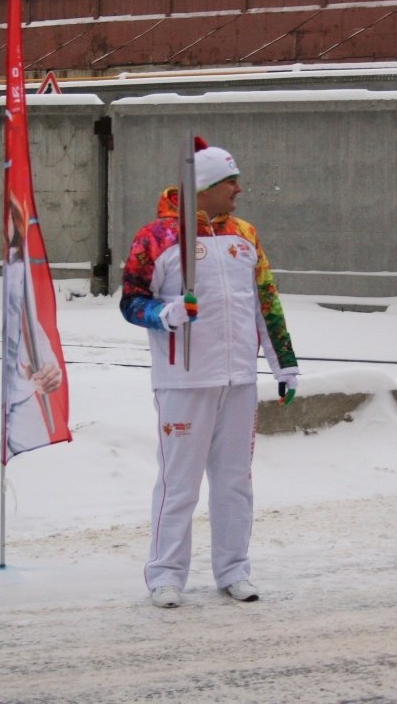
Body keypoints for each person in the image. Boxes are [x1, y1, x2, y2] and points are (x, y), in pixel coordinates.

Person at [120, 137, 299, 608]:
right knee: (179, 483)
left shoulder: (245, 234)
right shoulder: (156, 238)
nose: (239, 189)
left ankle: (234, 570)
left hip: (238, 379)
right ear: (203, 187)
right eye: (230, 182)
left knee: (235, 481)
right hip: (184, 378)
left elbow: (266, 302)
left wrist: (285, 365)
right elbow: (131, 301)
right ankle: (165, 575)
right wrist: (168, 313)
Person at [4, 193, 62, 457]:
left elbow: (28, 327)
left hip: (23, 421)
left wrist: (49, 371)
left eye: (16, 248)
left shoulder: (17, 277)